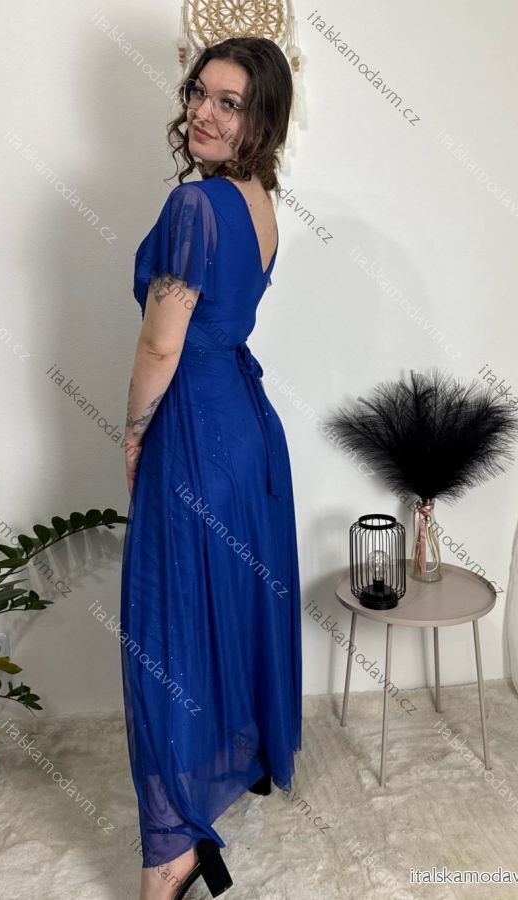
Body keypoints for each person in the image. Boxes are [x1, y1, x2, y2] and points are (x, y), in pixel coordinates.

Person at [120, 36, 302, 900]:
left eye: (229, 102)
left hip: (193, 428)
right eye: (200, 92)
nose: (203, 111)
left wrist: (131, 435)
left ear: (260, 118)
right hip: (247, 433)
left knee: (163, 629)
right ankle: (240, 763)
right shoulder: (261, 203)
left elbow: (160, 345)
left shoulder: (195, 205)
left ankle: (172, 851)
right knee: (225, 603)